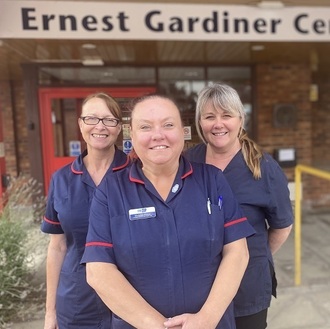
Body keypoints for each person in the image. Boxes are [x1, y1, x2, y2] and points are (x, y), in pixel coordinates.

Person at [81, 94, 255, 329]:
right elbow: (98, 271)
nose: (158, 135)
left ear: (183, 132)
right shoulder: (111, 192)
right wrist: (157, 326)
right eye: (145, 127)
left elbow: (237, 252)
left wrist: (206, 319)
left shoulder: (212, 180)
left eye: (168, 124)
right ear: (131, 134)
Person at [185, 83, 293, 329]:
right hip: (197, 284)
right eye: (210, 116)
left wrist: (250, 258)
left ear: (240, 119)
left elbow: (282, 227)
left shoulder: (264, 168)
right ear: (200, 122)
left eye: (227, 115)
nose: (218, 124)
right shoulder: (188, 162)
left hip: (247, 286)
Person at [41, 92, 128, 329]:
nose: (100, 126)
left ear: (119, 128)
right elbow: (57, 247)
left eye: (109, 120)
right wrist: (50, 312)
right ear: (80, 124)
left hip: (131, 301)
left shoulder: (136, 174)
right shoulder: (61, 179)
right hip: (77, 303)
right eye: (91, 118)